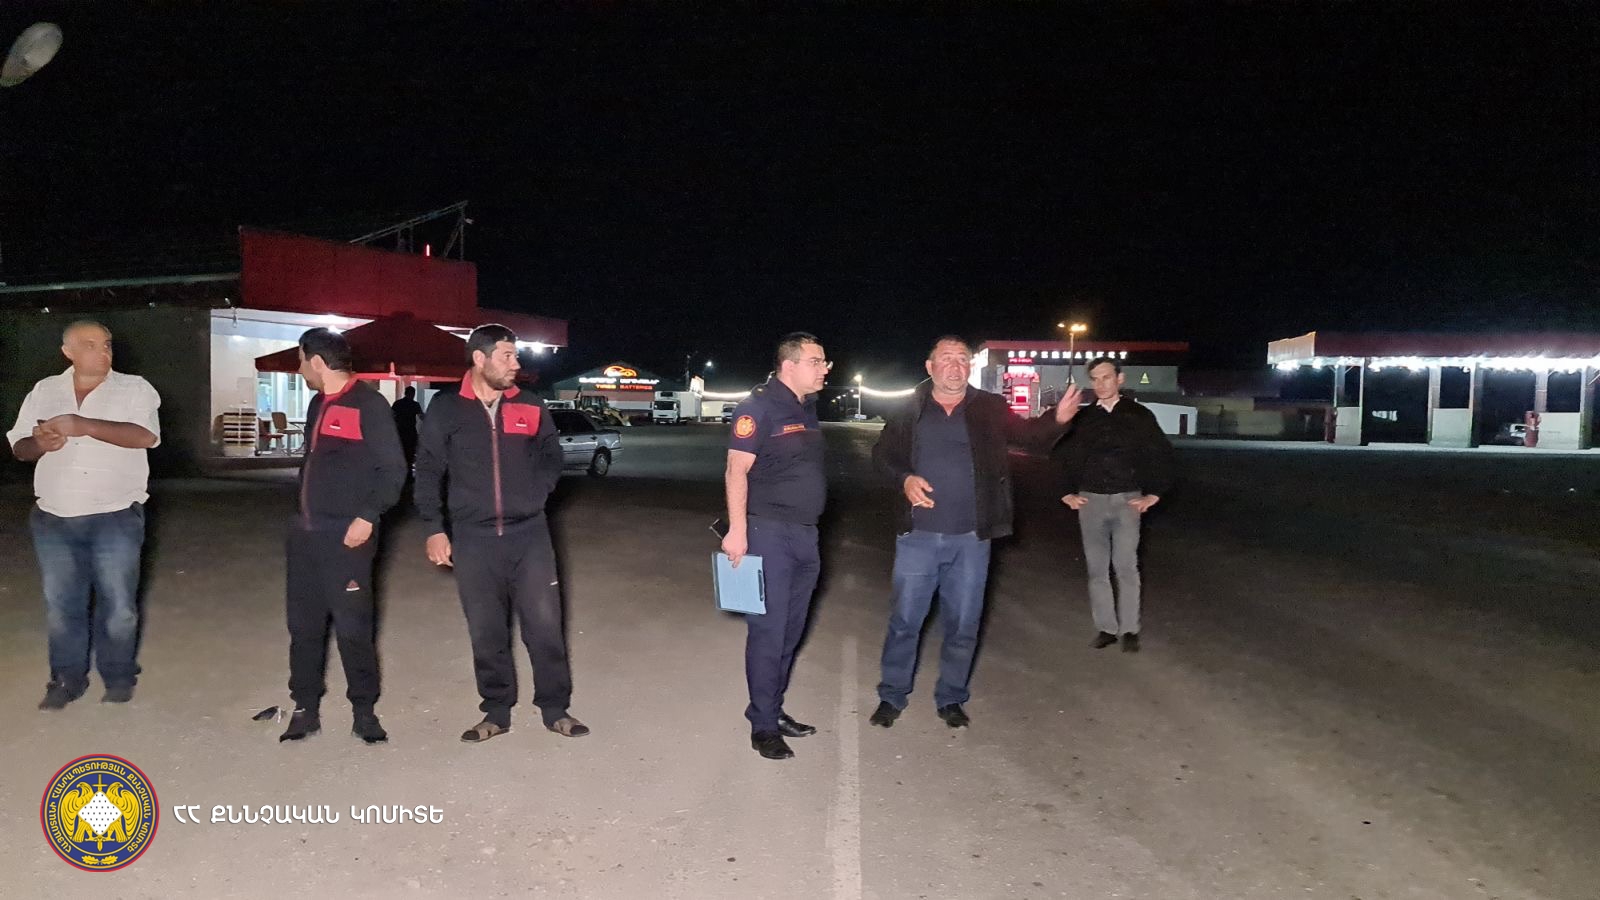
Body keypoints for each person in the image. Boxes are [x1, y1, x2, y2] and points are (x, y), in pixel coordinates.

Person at [867, 336, 1074, 730]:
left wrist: (1058, 419)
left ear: (969, 367)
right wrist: (904, 478)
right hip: (918, 536)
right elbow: (883, 456)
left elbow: (1029, 436)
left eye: (962, 359)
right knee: (905, 621)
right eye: (946, 359)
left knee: (963, 625)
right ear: (930, 367)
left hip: (971, 539)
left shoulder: (989, 407)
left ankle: (951, 697)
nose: (955, 366)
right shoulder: (910, 407)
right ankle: (892, 695)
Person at [413, 324, 588, 743]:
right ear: (480, 358)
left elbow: (551, 455)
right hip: (472, 537)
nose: (516, 363)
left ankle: (555, 708)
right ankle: (496, 711)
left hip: (529, 535)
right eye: (507, 355)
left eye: (516, 355)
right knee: (486, 630)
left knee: (544, 626)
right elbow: (429, 469)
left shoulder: (529, 404)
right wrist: (434, 528)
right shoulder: (447, 408)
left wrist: (536, 493)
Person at [6, 320, 160, 710]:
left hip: (115, 514)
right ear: (67, 352)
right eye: (90, 345)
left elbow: (145, 436)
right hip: (54, 516)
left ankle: (119, 675)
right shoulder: (45, 390)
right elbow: (19, 447)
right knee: (63, 607)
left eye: (106, 344)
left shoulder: (134, 388)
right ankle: (66, 679)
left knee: (119, 606)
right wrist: (40, 443)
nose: (103, 351)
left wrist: (84, 425)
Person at [278, 328, 407, 744]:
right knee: (303, 626)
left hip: (348, 536)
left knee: (353, 627)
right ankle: (305, 708)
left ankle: (364, 711)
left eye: (301, 361)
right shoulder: (318, 403)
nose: (300, 369)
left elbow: (394, 470)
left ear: (316, 361)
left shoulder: (368, 404)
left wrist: (368, 516)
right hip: (306, 534)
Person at [722, 332, 830, 760]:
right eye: (816, 361)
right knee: (768, 632)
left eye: (824, 362)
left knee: (790, 632)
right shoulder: (757, 407)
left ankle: (771, 708)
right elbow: (736, 470)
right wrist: (737, 531)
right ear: (789, 365)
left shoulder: (807, 407)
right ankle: (763, 727)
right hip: (768, 534)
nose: (824, 369)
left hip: (806, 534)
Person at [1056, 356, 1175, 653]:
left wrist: (1154, 494)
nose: (1100, 384)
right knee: (1097, 569)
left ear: (1120, 379)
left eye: (1106, 377)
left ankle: (1130, 629)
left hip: (1127, 502)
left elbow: (1161, 453)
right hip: (1091, 502)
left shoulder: (1138, 415)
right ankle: (1106, 628)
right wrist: (1065, 492)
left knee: (1126, 566)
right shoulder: (1083, 418)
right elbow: (1061, 454)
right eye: (1095, 379)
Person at [391, 385, 424, 471]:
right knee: (410, 452)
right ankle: (409, 471)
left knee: (401, 451)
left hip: (400, 431)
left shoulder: (398, 403)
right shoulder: (415, 405)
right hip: (410, 431)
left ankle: (401, 470)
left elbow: (391, 415)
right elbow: (422, 417)